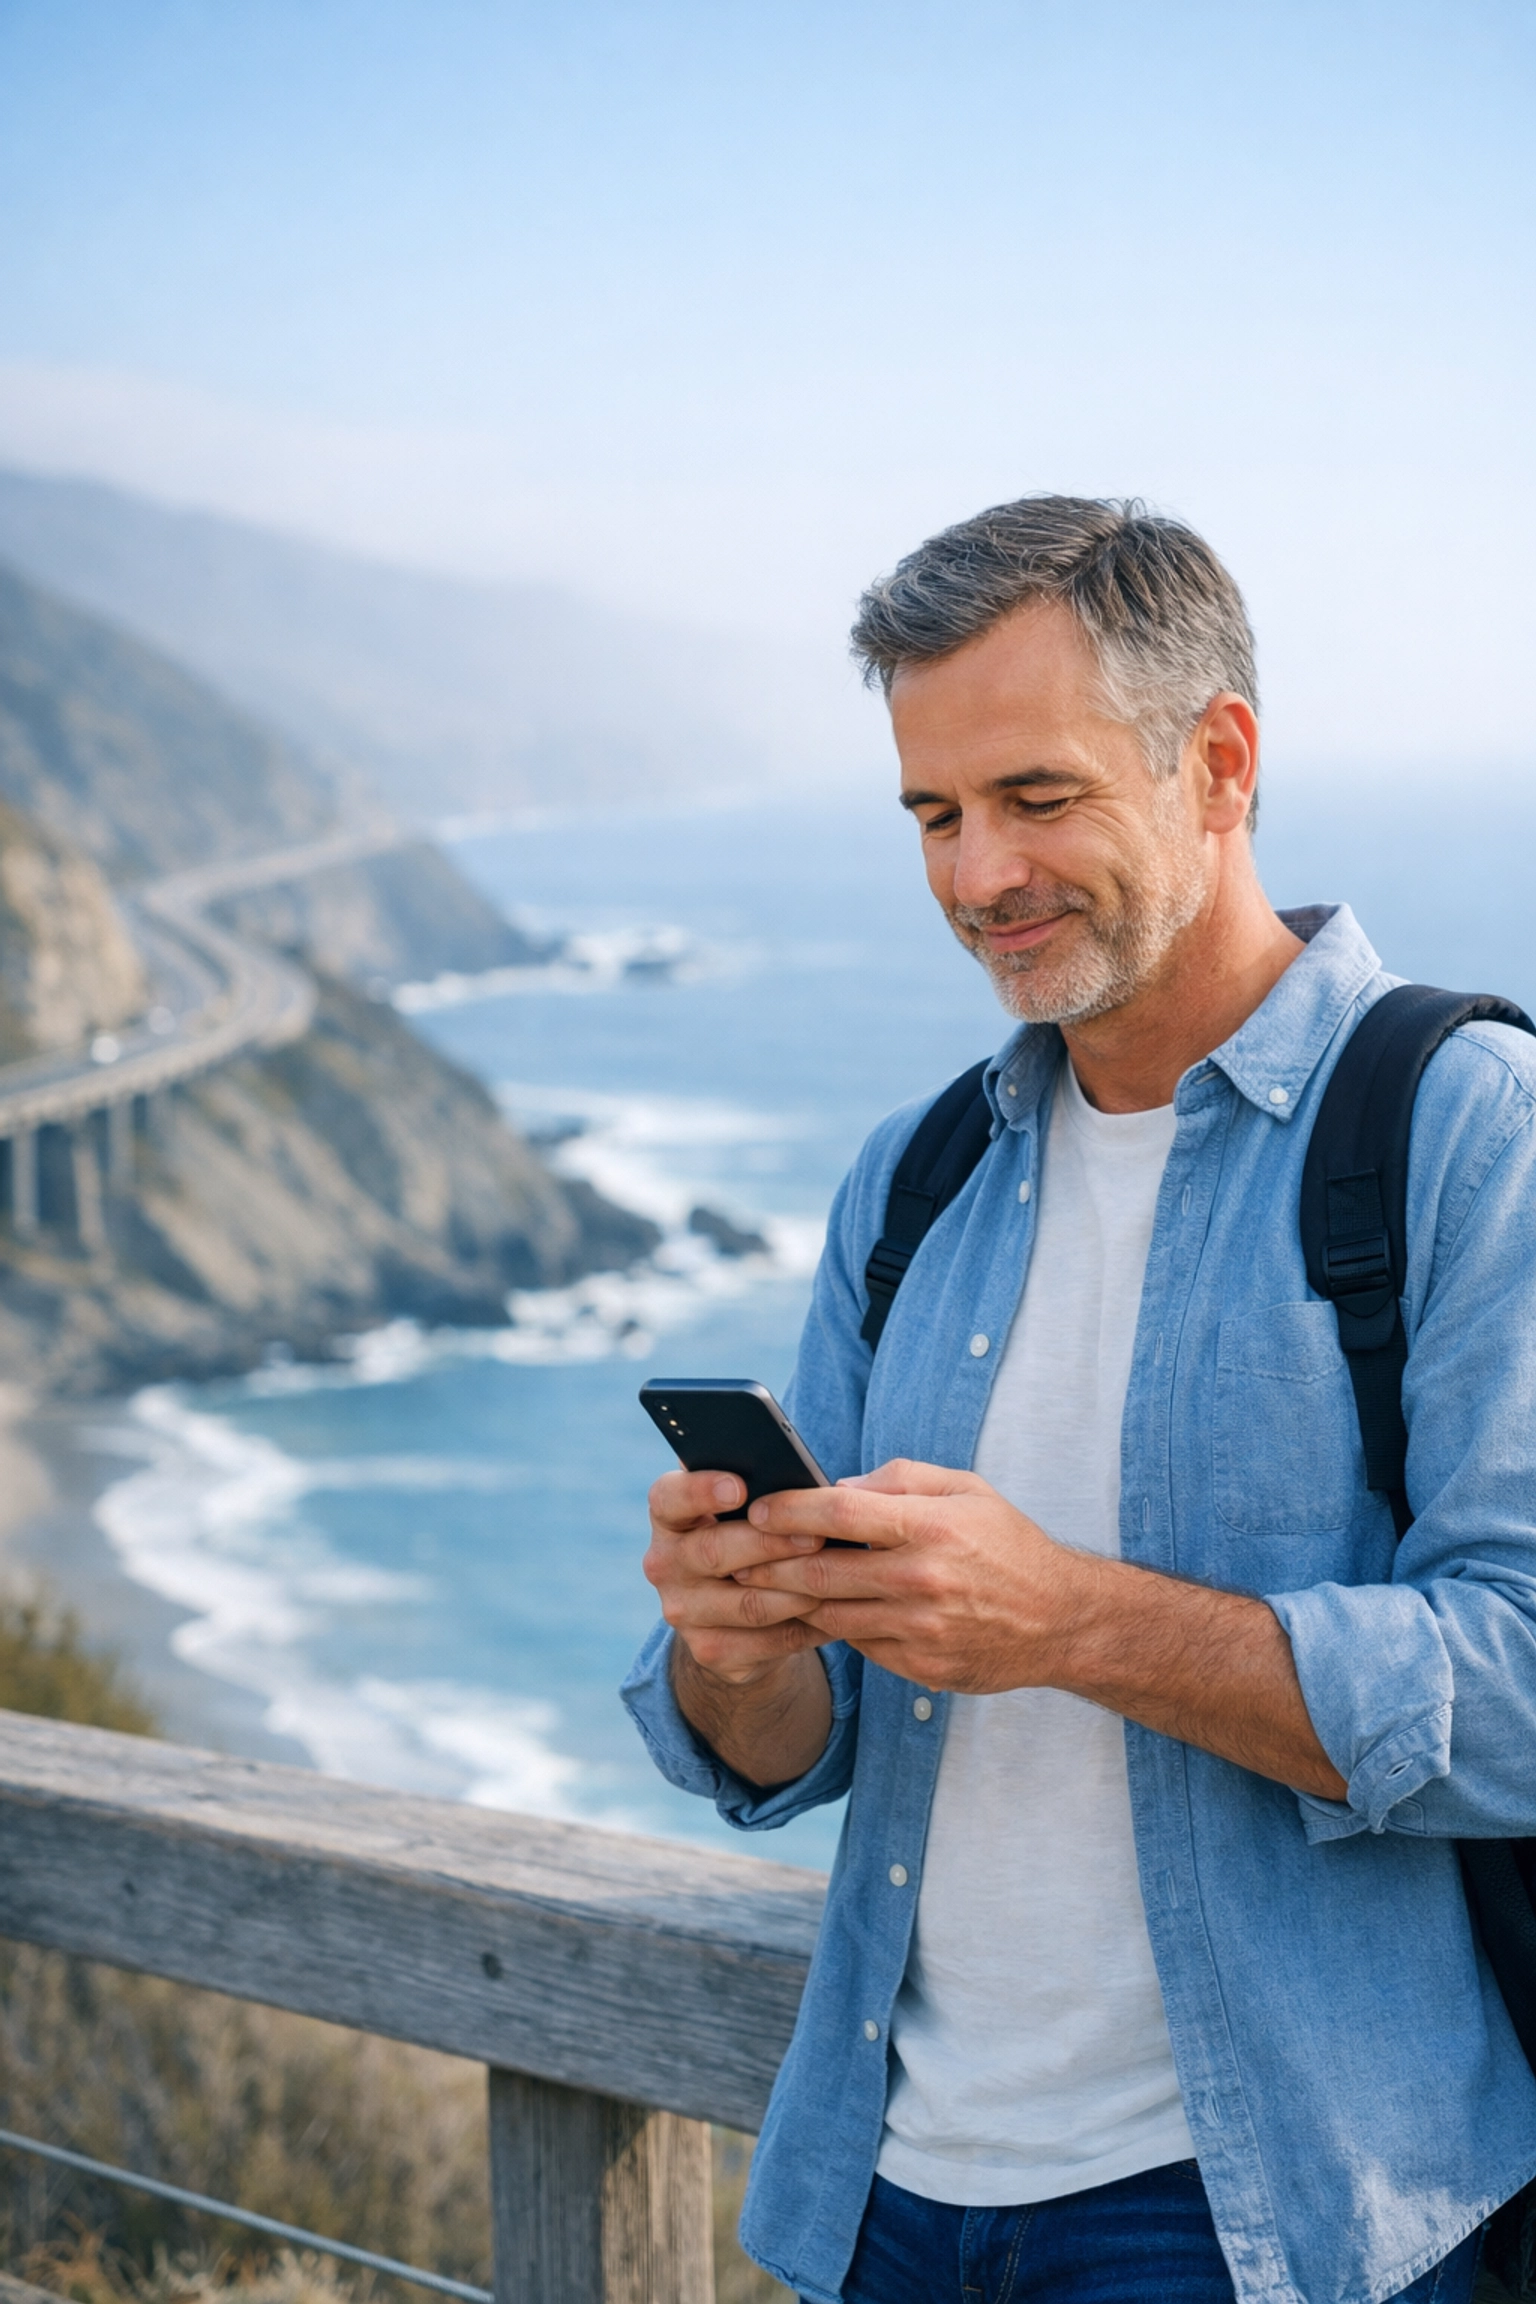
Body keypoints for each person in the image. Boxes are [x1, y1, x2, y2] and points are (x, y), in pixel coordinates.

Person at [621, 496, 1536, 2304]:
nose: (978, 878)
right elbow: (793, 1744)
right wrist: (736, 1647)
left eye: (1037, 798)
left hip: (1265, 2219)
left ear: (1220, 763)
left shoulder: (1467, 1131)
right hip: (880, 2190)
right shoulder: (915, 1178)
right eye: (934, 816)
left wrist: (1076, 1623)